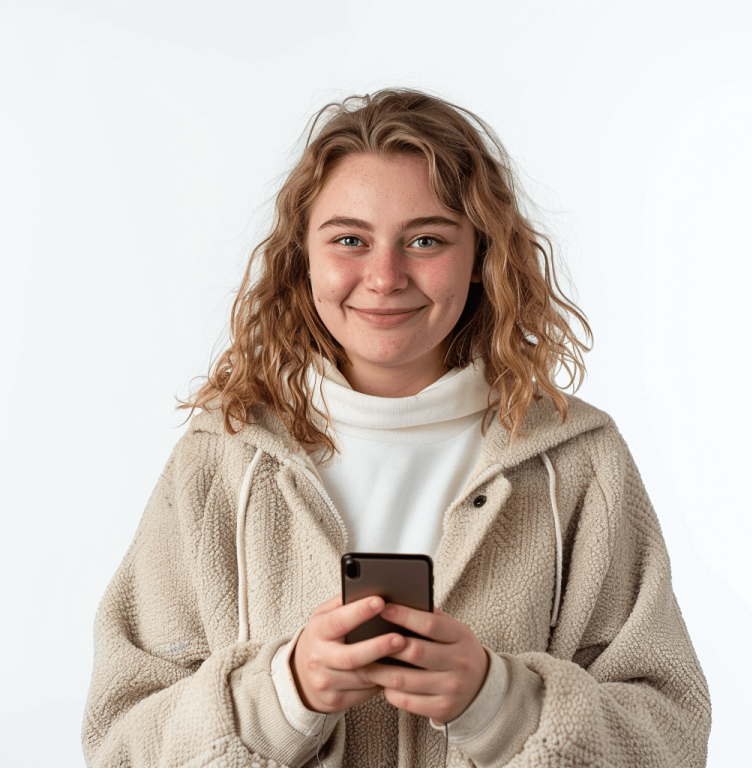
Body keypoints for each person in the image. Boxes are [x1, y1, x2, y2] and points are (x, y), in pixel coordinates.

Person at [82, 88, 711, 768]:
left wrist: (499, 701)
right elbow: (120, 738)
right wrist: (283, 695)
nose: (384, 277)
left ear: (481, 258)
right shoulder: (220, 460)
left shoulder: (579, 460)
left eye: (426, 240)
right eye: (350, 239)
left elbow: (672, 735)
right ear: (303, 259)